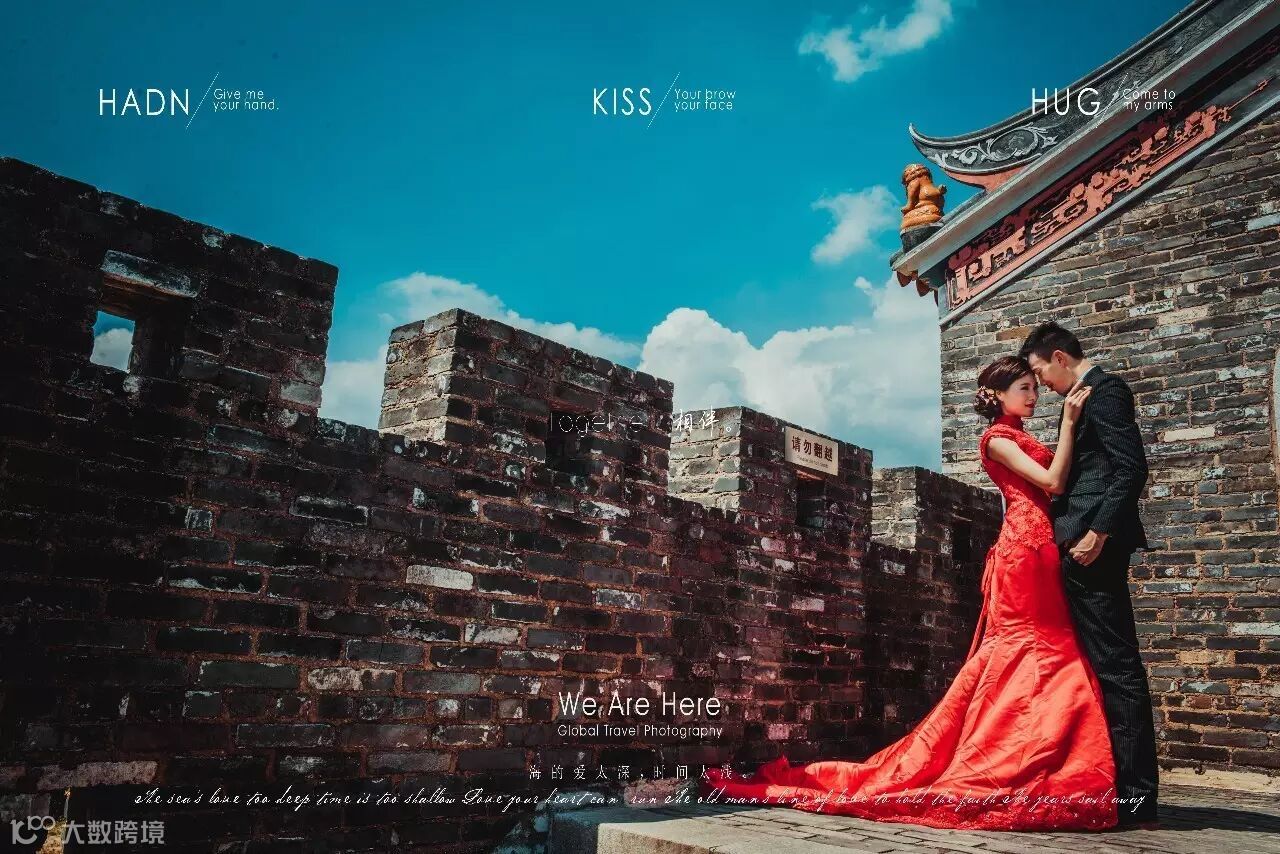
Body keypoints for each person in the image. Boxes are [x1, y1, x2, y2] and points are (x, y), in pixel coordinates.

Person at [700, 355, 1126, 831]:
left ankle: (1039, 748)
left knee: (1048, 649)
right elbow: (1053, 482)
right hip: (1023, 552)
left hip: (1043, 548)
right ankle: (1011, 752)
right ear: (998, 395)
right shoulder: (997, 439)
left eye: (1034, 387)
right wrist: (1069, 423)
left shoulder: (1020, 436)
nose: (1033, 395)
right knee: (1026, 648)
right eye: (1024, 388)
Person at [1018, 321, 1159, 828]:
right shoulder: (1079, 401)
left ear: (1059, 357)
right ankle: (1110, 784)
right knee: (1100, 667)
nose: (1042, 383)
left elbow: (1131, 468)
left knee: (1117, 667)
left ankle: (1137, 796)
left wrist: (1098, 533)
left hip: (1092, 546)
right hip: (1077, 544)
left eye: (1040, 372)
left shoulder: (1106, 390)